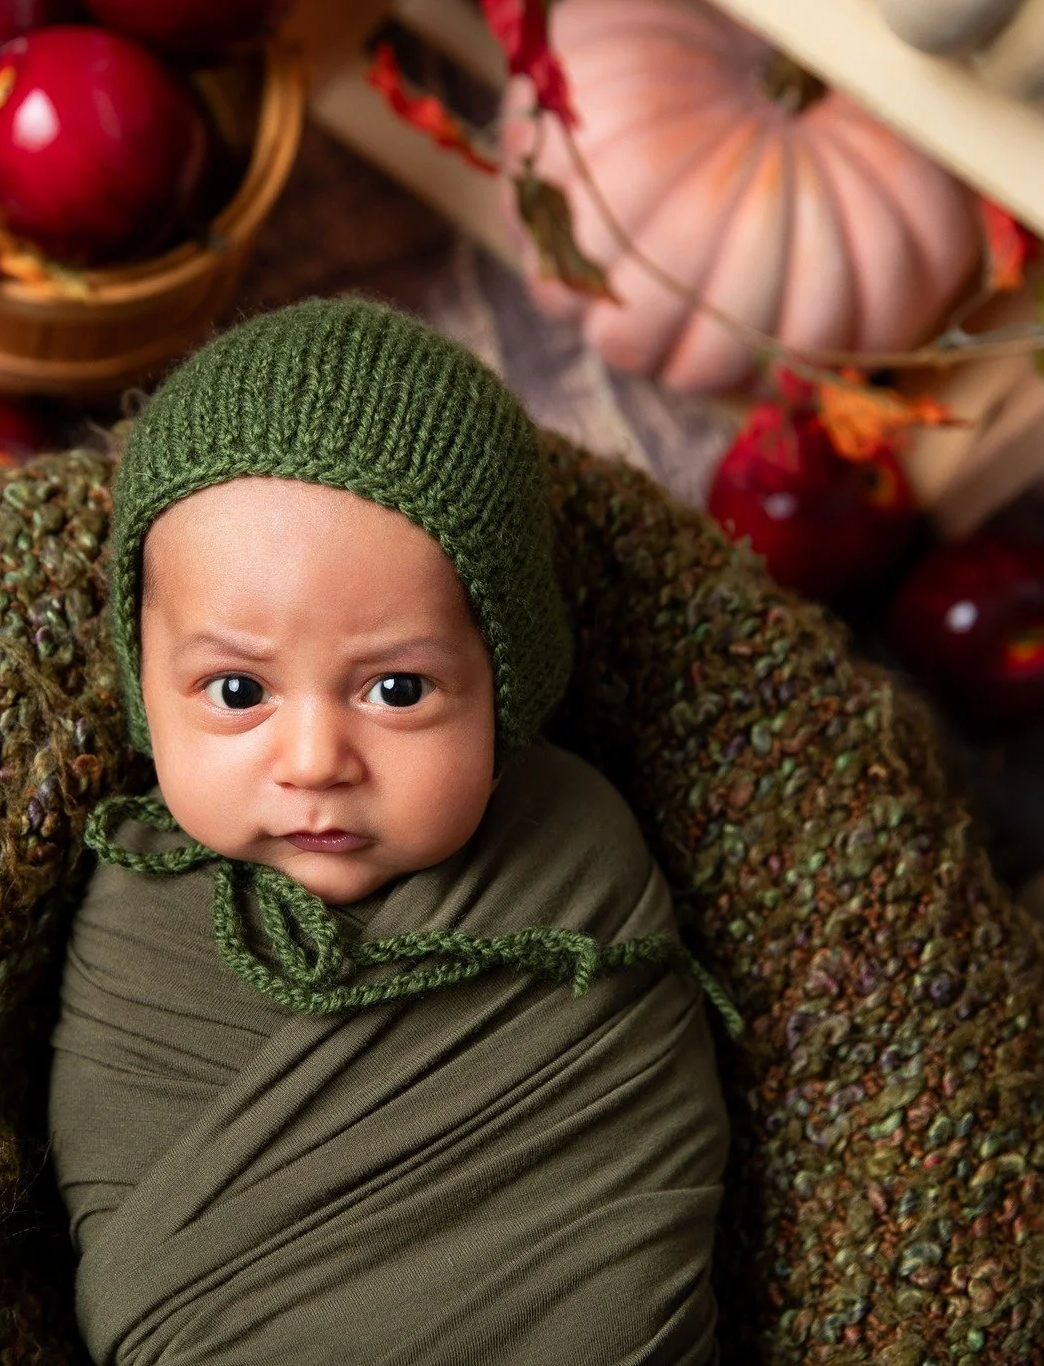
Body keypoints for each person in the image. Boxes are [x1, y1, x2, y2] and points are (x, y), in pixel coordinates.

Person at [48, 297, 732, 1365]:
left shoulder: (569, 865)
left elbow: (627, 1223)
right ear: (144, 687)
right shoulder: (138, 913)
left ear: (505, 687)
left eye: (398, 688)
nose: (315, 757)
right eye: (237, 688)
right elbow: (132, 1264)